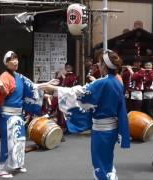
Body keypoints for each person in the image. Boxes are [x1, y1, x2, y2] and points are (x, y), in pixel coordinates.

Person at [38, 50, 130, 180]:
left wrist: (52, 89)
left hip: (101, 131)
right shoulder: (117, 82)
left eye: (99, 63)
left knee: (100, 164)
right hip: (112, 129)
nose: (98, 66)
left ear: (104, 66)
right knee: (107, 161)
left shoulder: (102, 82)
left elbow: (77, 93)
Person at [0, 50, 57, 178]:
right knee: (8, 142)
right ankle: (1, 169)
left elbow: (32, 87)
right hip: (7, 116)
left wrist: (46, 85)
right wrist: (1, 86)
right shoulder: (4, 76)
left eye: (16, 58)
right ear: (7, 63)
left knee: (20, 141)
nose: (16, 61)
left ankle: (17, 164)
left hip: (18, 115)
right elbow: (4, 93)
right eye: (12, 59)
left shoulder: (20, 77)